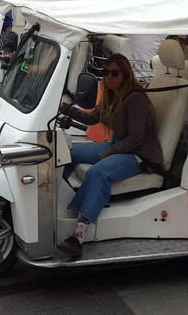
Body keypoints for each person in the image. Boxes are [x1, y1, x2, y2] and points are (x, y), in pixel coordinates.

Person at [58, 54, 163, 256]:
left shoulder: (135, 98)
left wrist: (110, 152)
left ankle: (78, 235)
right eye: (106, 73)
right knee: (68, 152)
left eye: (114, 73)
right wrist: (64, 108)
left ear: (125, 74)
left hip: (140, 155)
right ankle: (62, 200)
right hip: (119, 145)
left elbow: (136, 139)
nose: (109, 77)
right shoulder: (111, 96)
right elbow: (90, 118)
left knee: (97, 173)